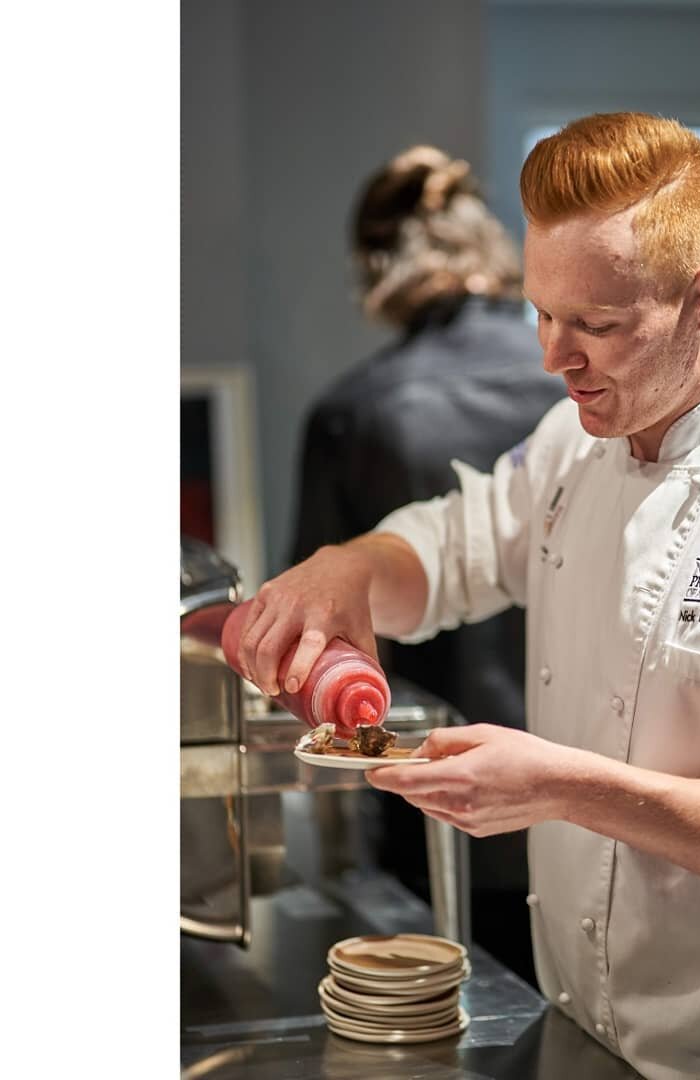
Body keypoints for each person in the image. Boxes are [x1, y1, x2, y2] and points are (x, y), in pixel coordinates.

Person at [243, 113, 700, 1079]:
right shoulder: (571, 444)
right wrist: (349, 566)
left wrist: (560, 787)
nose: (556, 356)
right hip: (584, 1033)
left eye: (597, 324)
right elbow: (452, 544)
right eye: (542, 314)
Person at [288, 145, 564, 985]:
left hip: (433, 802)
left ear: (375, 267)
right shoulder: (578, 390)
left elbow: (318, 631)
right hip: (588, 794)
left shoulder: (354, 411)